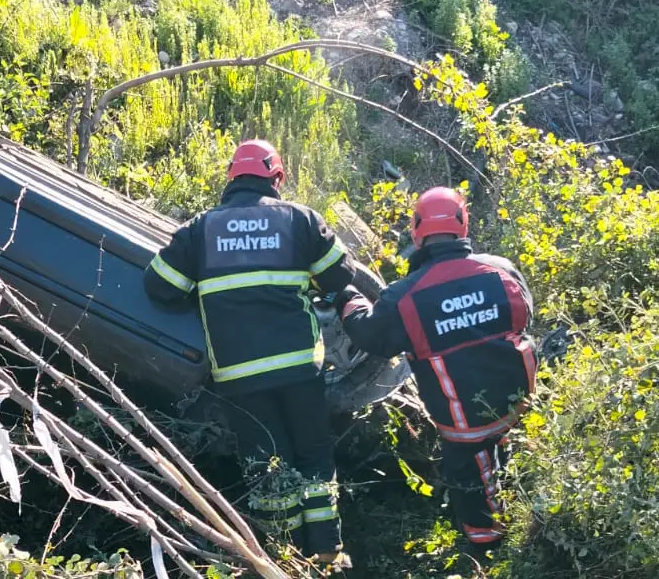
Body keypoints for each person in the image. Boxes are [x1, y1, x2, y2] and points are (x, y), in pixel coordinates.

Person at [143, 139, 357, 568]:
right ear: (277, 178)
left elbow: (160, 288)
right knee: (313, 455)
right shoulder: (300, 220)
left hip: (240, 377)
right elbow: (341, 274)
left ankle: (283, 559)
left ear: (230, 178)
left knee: (268, 465)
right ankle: (327, 553)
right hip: (300, 366)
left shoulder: (201, 229)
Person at [335, 186, 537, 550]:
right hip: (518, 397)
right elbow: (526, 315)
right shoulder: (501, 270)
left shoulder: (405, 295)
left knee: (470, 474)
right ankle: (514, 490)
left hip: (464, 417)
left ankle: (485, 546)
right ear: (463, 225)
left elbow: (370, 336)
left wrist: (348, 298)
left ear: (416, 230)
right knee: (500, 448)